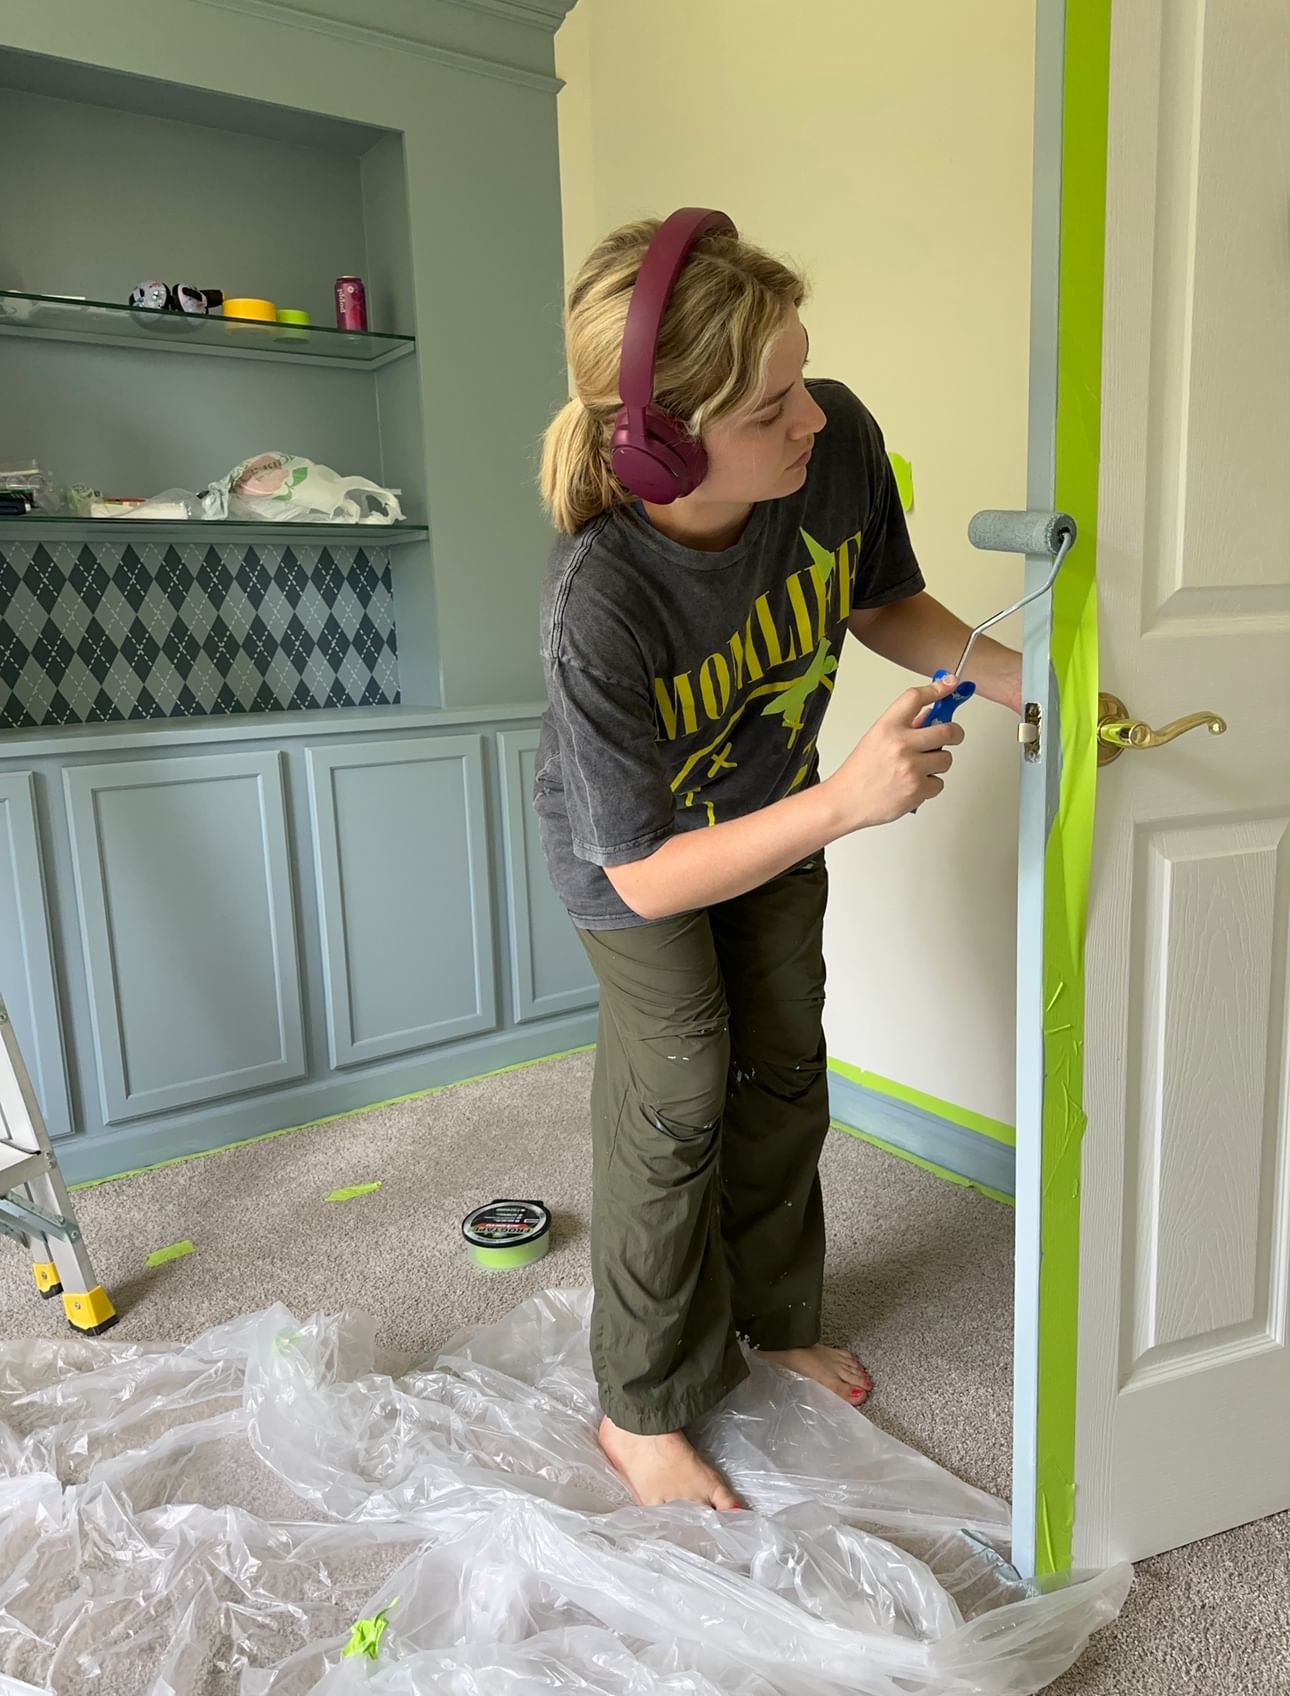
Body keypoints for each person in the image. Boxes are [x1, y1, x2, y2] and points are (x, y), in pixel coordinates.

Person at [533, 209, 1021, 1511]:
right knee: (679, 1094)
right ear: (663, 446)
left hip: (768, 814)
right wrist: (848, 803)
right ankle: (640, 1409)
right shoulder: (600, 601)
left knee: (783, 1064)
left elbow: (880, 603)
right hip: (636, 863)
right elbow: (638, 872)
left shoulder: (835, 437)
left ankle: (768, 1319)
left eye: (801, 377)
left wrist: (1031, 688)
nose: (809, 416)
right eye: (769, 406)